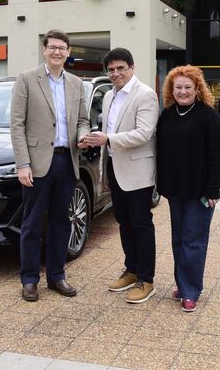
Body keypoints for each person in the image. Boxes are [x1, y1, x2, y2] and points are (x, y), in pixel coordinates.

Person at [10, 29, 90, 302]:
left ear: (68, 52)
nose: (57, 52)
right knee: (32, 224)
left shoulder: (77, 84)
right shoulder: (27, 80)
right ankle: (30, 279)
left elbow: (82, 120)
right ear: (44, 50)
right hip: (37, 163)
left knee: (61, 222)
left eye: (62, 48)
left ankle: (56, 276)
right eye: (52, 47)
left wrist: (82, 136)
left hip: (67, 161)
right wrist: (23, 163)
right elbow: (17, 125)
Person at [81, 48, 159, 304]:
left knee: (141, 224)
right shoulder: (109, 96)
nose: (115, 74)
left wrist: (108, 138)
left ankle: (146, 280)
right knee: (123, 222)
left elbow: (143, 133)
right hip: (115, 167)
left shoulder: (145, 95)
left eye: (120, 69)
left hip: (138, 171)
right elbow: (108, 132)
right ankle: (132, 269)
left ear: (132, 67)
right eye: (111, 70)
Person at [156, 65, 220, 312]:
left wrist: (213, 190)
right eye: (178, 87)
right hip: (175, 190)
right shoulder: (167, 114)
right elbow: (161, 153)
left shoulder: (209, 116)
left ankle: (191, 290)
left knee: (193, 240)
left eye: (188, 87)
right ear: (171, 89)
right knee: (178, 239)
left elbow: (218, 156)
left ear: (198, 89)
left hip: (200, 191)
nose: (183, 91)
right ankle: (184, 283)